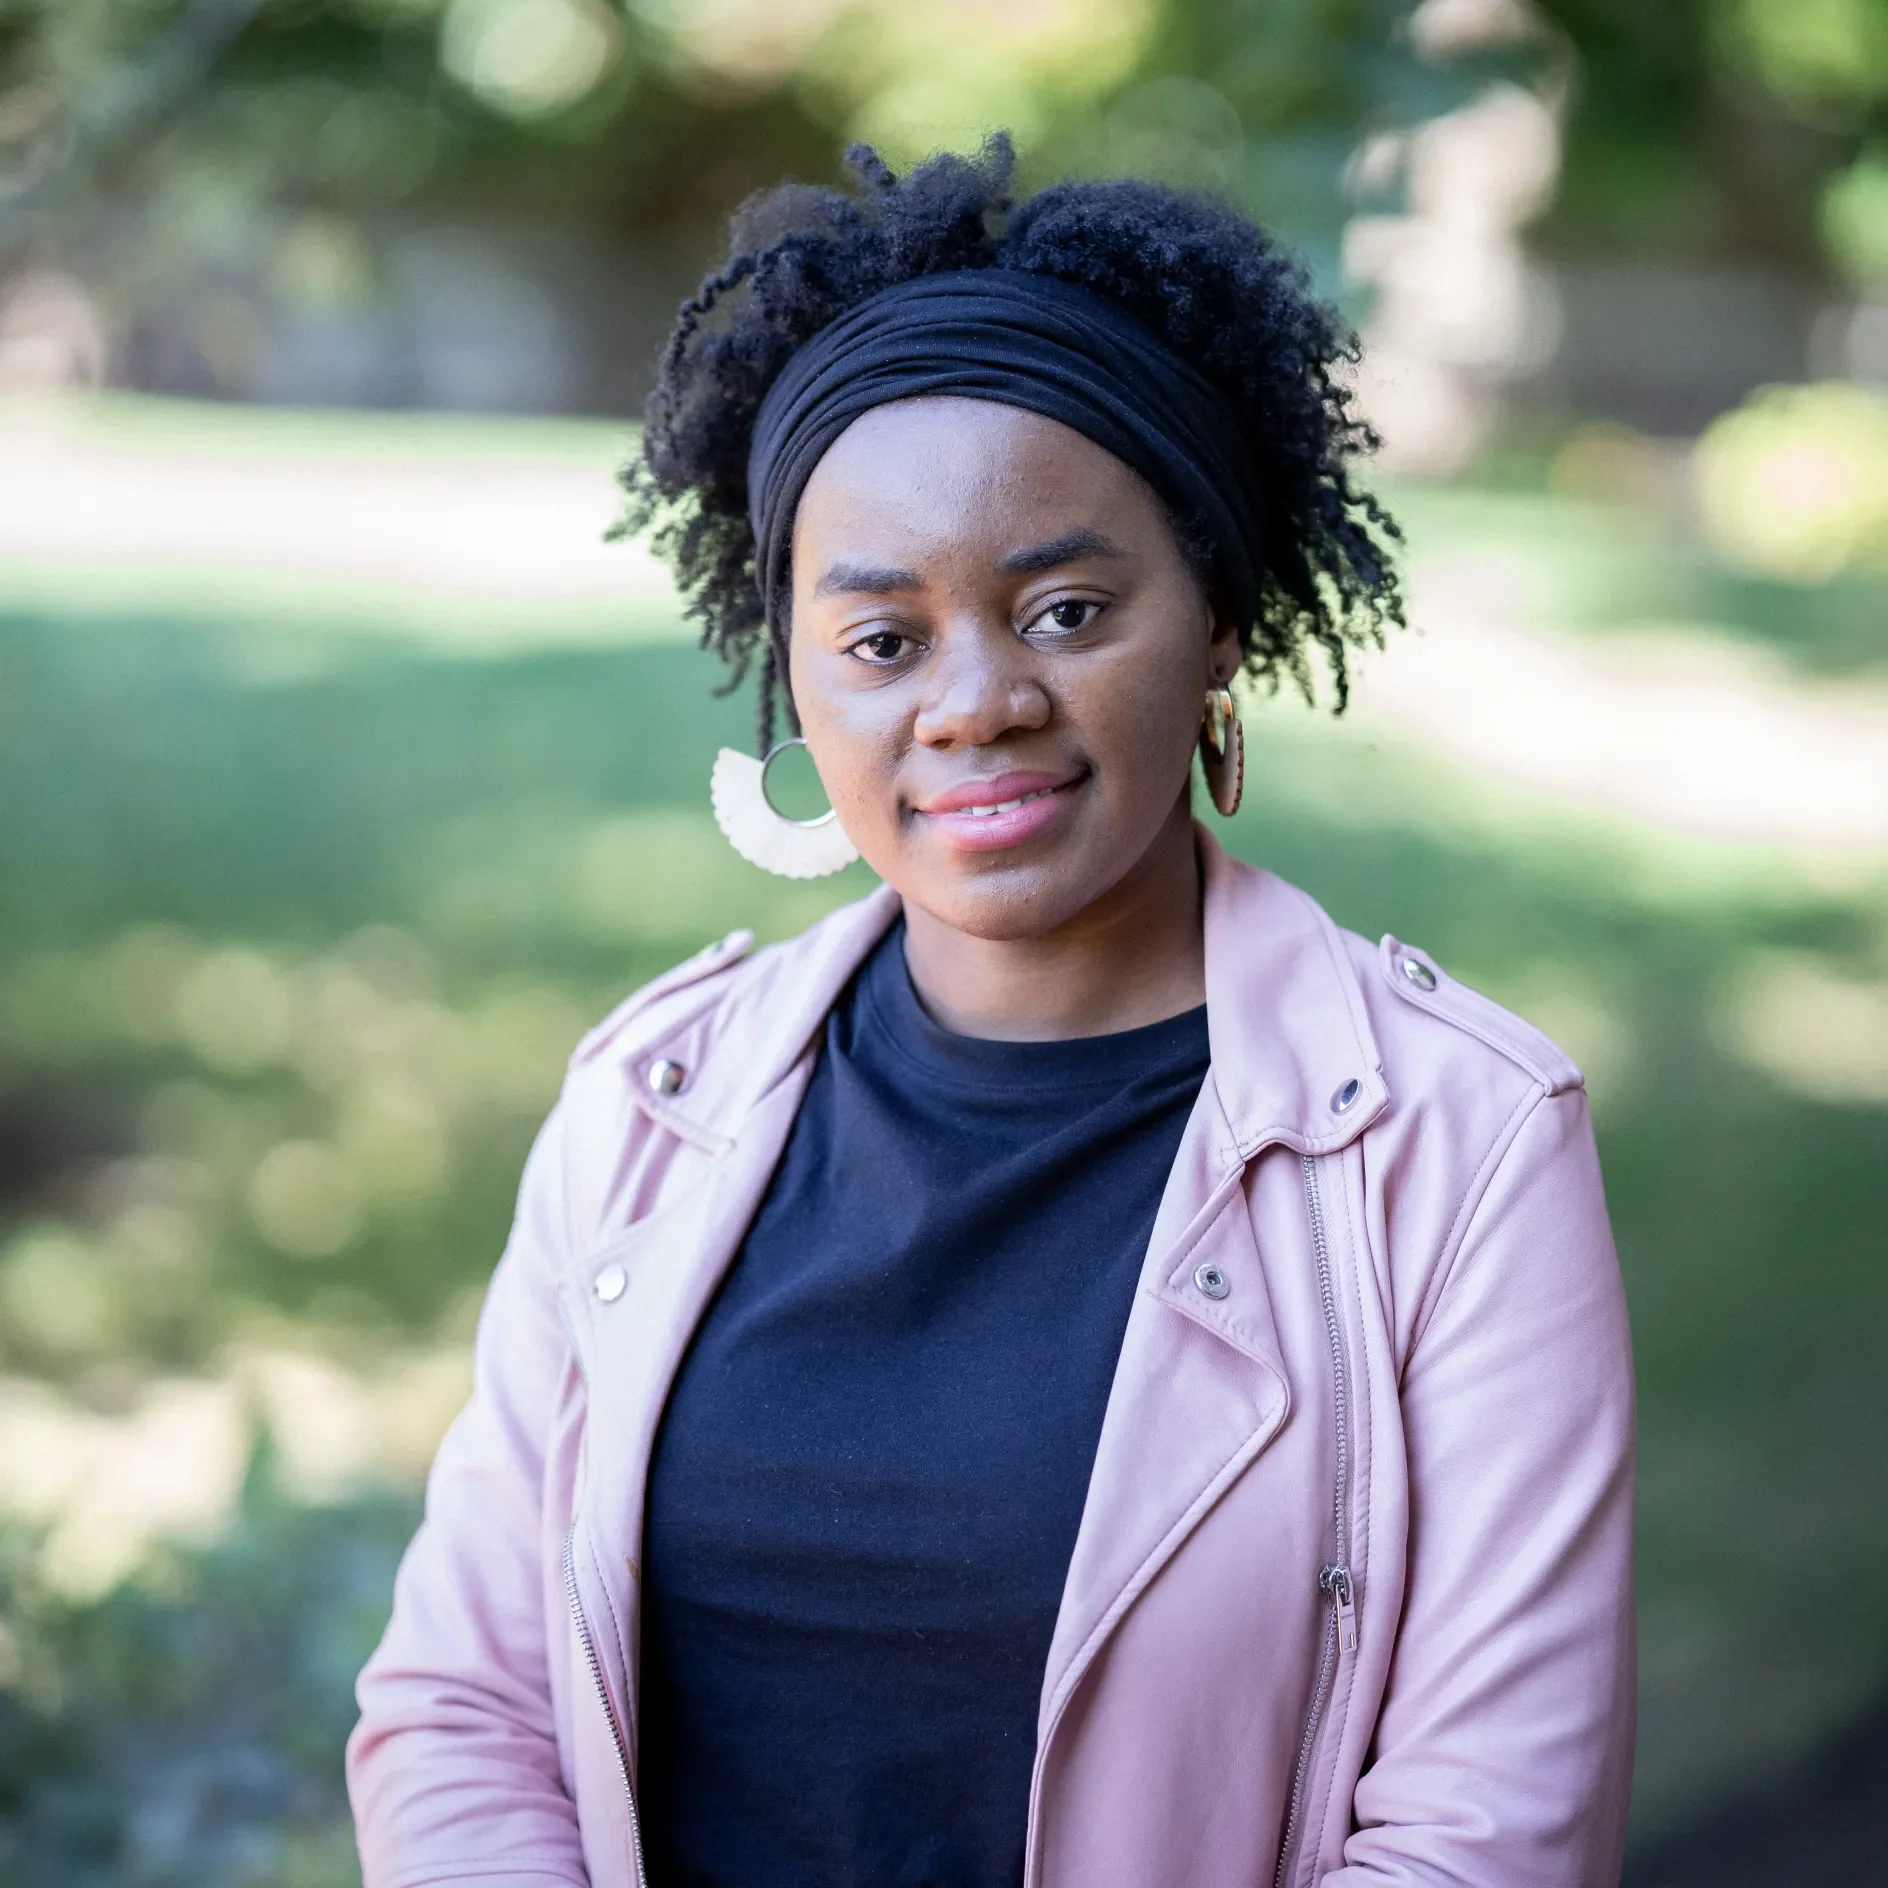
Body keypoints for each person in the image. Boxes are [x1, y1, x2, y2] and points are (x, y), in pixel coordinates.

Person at [348, 138, 1636, 1888]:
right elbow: (464, 1711)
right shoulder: (651, 1104)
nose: (976, 704)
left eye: (1068, 610)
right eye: (882, 640)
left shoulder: (1459, 1148)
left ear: (1222, 628)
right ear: (792, 674)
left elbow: (1484, 1838)